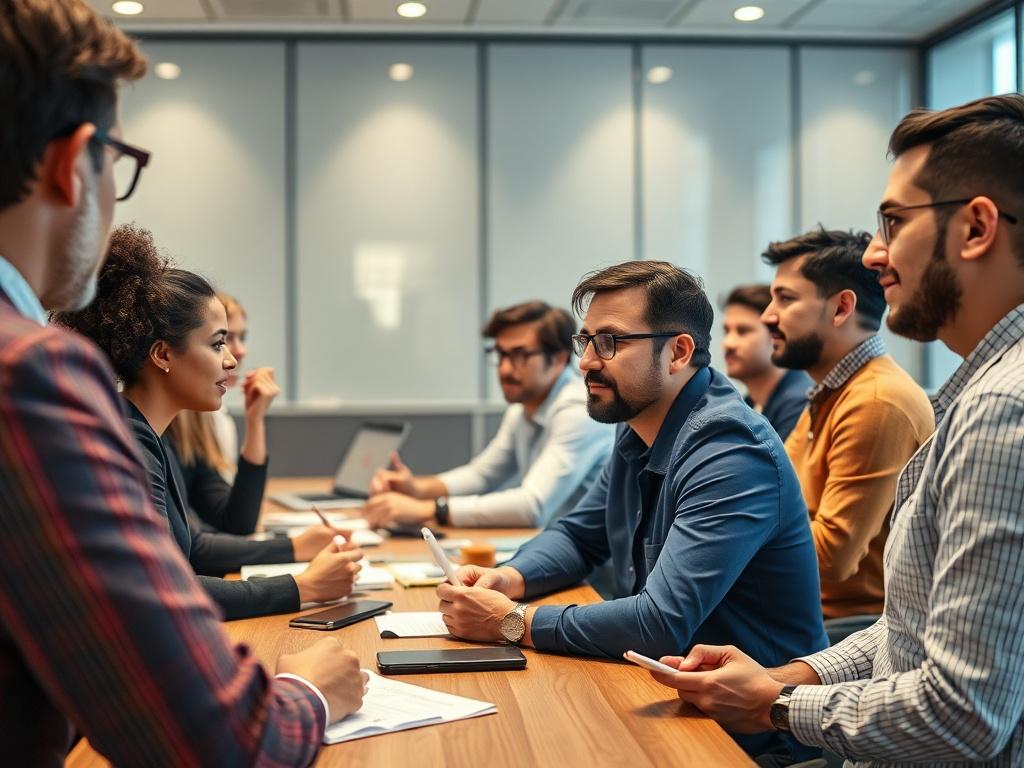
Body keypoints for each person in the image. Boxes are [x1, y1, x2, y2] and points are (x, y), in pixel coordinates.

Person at [0, 1, 365, 762]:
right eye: (121, 163)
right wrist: (306, 691)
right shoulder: (30, 372)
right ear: (75, 164)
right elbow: (219, 740)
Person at [645, 93, 1024, 768]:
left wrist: (775, 706)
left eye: (893, 222)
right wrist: (788, 678)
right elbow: (908, 629)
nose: (875, 254)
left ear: (976, 228)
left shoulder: (1000, 411)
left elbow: (965, 712)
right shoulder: (971, 393)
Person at [436, 262, 828, 762]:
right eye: (587, 341)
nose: (587, 363)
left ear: (678, 352)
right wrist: (508, 578)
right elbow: (580, 535)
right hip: (667, 701)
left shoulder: (730, 449)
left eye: (611, 342)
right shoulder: (639, 421)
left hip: (748, 739)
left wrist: (513, 621)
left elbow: (660, 621)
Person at [55, 224, 364, 620]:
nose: (233, 360)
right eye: (218, 343)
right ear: (163, 355)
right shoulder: (129, 439)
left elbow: (189, 550)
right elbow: (162, 587)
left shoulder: (144, 432)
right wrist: (302, 587)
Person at [761, 228, 934, 625]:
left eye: (785, 299)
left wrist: (738, 523)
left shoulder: (875, 400)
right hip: (804, 613)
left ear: (841, 308)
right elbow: (775, 498)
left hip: (848, 629)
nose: (767, 316)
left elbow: (831, 559)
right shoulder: (834, 389)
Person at [364, 300, 614, 528]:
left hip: (596, 570)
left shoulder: (578, 409)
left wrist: (428, 508)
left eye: (520, 355)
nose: (504, 369)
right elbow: (483, 475)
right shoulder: (523, 408)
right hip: (553, 548)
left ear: (559, 359)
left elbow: (532, 506)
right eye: (501, 354)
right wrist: (416, 489)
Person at [721, 283, 810, 440]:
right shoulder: (746, 404)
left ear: (775, 334)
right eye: (727, 331)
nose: (728, 343)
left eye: (743, 331)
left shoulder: (800, 402)